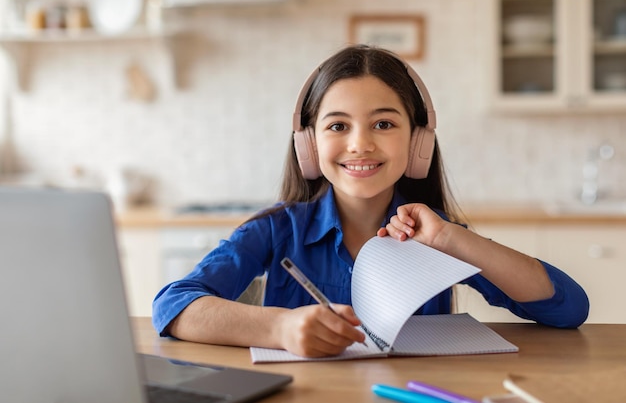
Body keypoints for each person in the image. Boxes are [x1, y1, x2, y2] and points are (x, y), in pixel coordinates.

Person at [152, 45, 589, 358]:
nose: (359, 145)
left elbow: (568, 308)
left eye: (383, 123)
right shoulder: (276, 230)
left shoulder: (436, 235)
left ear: (419, 142)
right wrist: (280, 328)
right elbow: (173, 306)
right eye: (338, 126)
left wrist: (455, 241)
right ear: (308, 144)